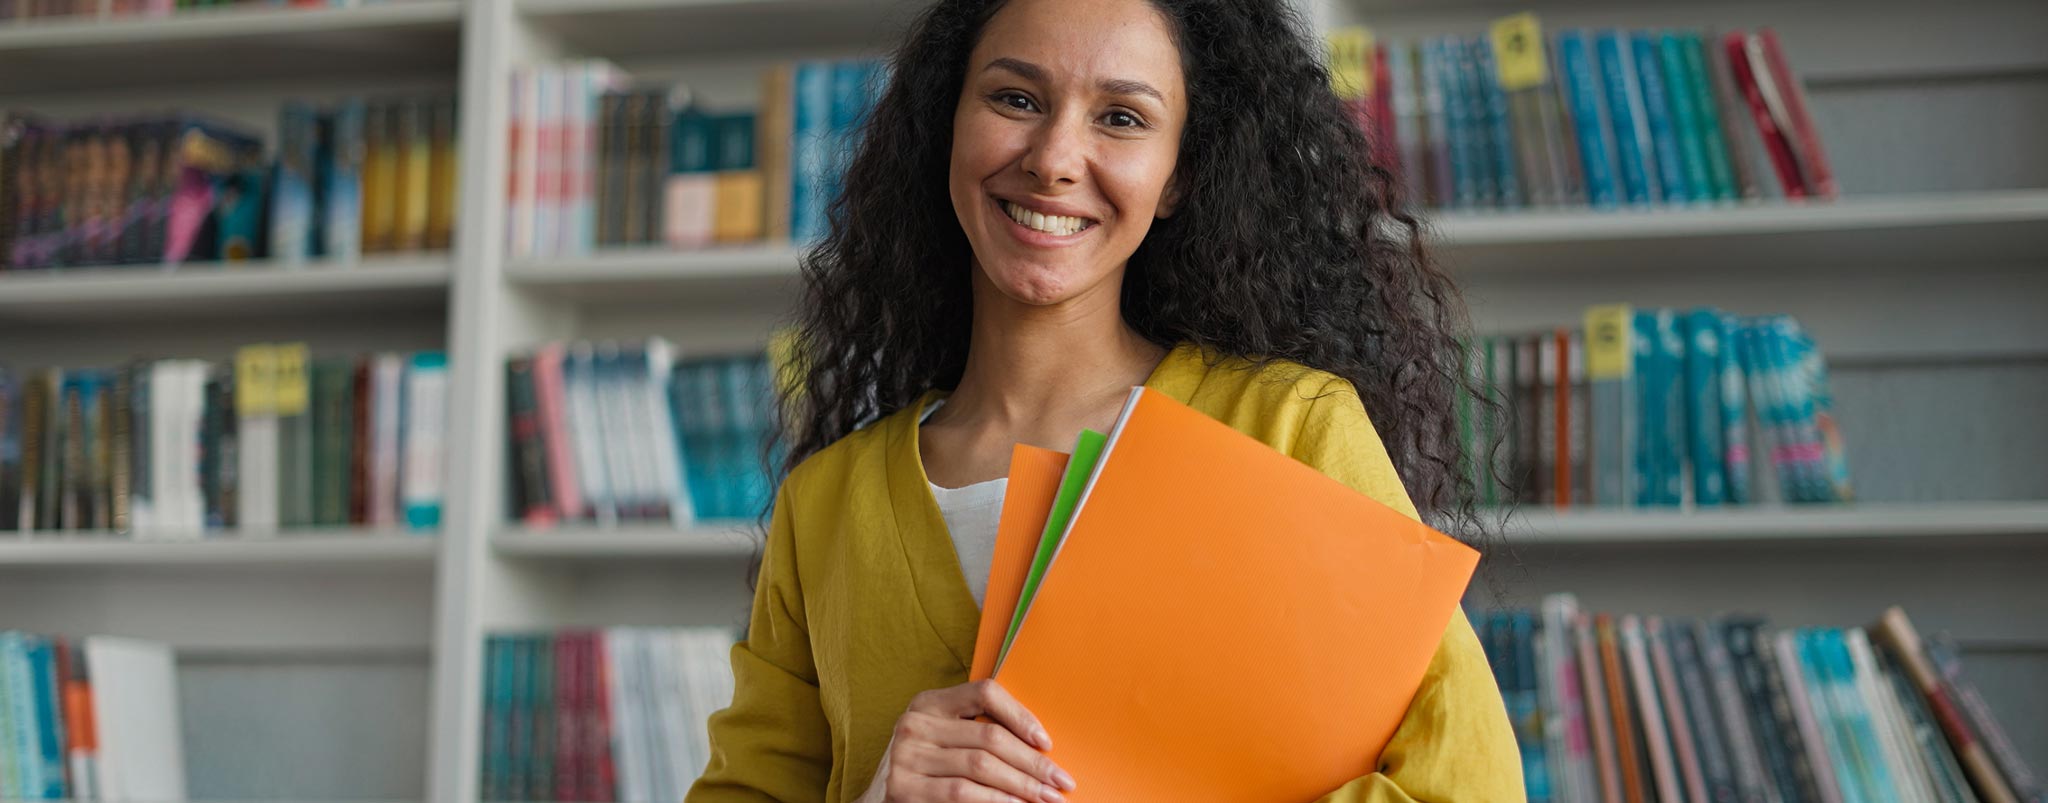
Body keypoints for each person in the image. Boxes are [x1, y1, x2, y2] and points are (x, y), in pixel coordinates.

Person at [687, 0, 1522, 800]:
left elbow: (1465, 781)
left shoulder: (1291, 425)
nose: (1053, 158)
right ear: (947, 125)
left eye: (1122, 117)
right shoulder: (824, 505)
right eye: (1016, 99)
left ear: (1178, 175)